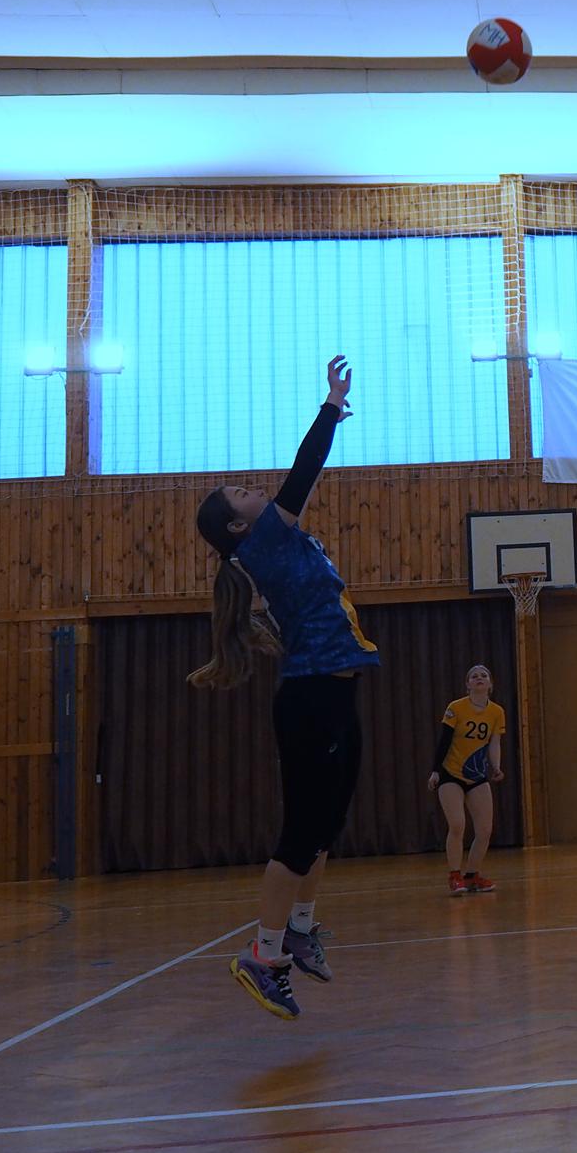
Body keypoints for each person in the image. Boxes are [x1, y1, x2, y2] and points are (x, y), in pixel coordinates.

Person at [190, 356, 378, 1020]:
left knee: (327, 829)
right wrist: (330, 406)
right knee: (300, 836)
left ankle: (297, 931)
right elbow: (304, 472)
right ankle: (261, 956)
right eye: (242, 492)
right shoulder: (262, 543)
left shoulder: (278, 544)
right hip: (311, 701)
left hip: (337, 694)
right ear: (237, 525)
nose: (254, 489)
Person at [428, 663, 505, 895]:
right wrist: (435, 771)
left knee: (485, 830)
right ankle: (455, 876)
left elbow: (494, 742)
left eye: (484, 675)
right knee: (457, 824)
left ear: (490, 684)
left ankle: (472, 876)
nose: (479, 678)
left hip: (477, 775)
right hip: (451, 773)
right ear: (468, 684)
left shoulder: (496, 712)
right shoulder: (456, 708)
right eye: (474, 676)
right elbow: (444, 740)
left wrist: (496, 766)